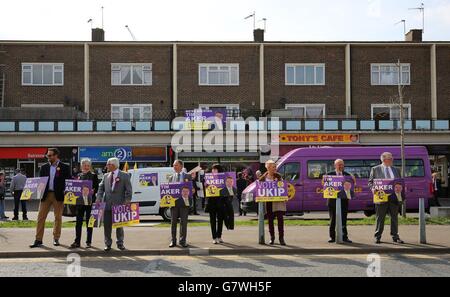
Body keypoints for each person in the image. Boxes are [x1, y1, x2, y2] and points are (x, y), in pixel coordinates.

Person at [30, 148, 71, 248]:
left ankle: (56, 238)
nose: (48, 157)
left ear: (56, 156)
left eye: (50, 155)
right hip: (46, 195)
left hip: (58, 196)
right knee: (40, 217)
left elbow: (68, 181)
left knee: (58, 218)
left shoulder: (65, 167)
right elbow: (41, 181)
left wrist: (66, 190)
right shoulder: (44, 167)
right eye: (47, 156)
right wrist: (33, 192)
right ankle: (38, 240)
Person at [96, 157, 132, 251]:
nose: (106, 166)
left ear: (114, 165)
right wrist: (99, 198)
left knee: (119, 226)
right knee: (107, 226)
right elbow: (101, 188)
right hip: (107, 204)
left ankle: (120, 243)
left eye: (108, 164)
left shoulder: (125, 175)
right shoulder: (105, 176)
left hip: (119, 205)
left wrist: (127, 200)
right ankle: (107, 244)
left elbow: (129, 190)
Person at [368, 152, 404, 244]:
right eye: (390, 158)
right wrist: (373, 189)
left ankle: (395, 236)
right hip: (381, 196)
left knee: (394, 217)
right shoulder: (375, 169)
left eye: (392, 158)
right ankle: (377, 236)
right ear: (384, 159)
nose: (392, 160)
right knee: (380, 218)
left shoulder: (396, 169)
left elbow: (400, 182)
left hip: (394, 197)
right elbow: (370, 182)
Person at [325, 159, 356, 243]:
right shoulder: (329, 174)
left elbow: (352, 186)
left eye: (342, 164)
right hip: (332, 201)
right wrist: (324, 180)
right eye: (339, 165)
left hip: (344, 200)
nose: (341, 166)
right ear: (335, 166)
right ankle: (332, 237)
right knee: (333, 219)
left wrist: (353, 180)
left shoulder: (347, 175)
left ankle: (344, 237)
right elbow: (324, 185)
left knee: (344, 219)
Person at [70, 158, 99, 249]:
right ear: (81, 166)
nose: (86, 167)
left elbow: (96, 188)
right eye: (84, 165)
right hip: (80, 202)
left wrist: (93, 191)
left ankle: (88, 242)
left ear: (90, 166)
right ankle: (77, 241)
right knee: (78, 223)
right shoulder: (78, 175)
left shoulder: (94, 176)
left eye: (88, 165)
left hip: (90, 202)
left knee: (89, 223)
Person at [260, 160, 287, 245]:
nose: (275, 169)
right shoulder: (263, 178)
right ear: (268, 168)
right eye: (273, 167)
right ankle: (272, 237)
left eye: (275, 167)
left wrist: (284, 195)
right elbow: (260, 188)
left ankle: (281, 238)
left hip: (278, 201)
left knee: (280, 219)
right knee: (270, 220)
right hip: (268, 201)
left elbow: (283, 187)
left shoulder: (278, 176)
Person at [168, 159, 192, 248]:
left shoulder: (187, 176)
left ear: (181, 166)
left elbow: (191, 189)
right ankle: (173, 241)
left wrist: (192, 190)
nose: (174, 167)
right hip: (174, 203)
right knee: (173, 222)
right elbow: (168, 190)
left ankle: (182, 241)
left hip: (184, 203)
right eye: (174, 165)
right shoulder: (170, 177)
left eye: (176, 165)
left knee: (183, 223)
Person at [205, 164, 227, 244]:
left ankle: (219, 236)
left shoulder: (223, 179)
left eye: (215, 169)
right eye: (212, 169)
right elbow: (206, 190)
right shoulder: (208, 179)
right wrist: (206, 185)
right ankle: (214, 237)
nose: (213, 171)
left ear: (219, 171)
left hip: (220, 202)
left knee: (220, 220)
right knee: (212, 220)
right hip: (211, 202)